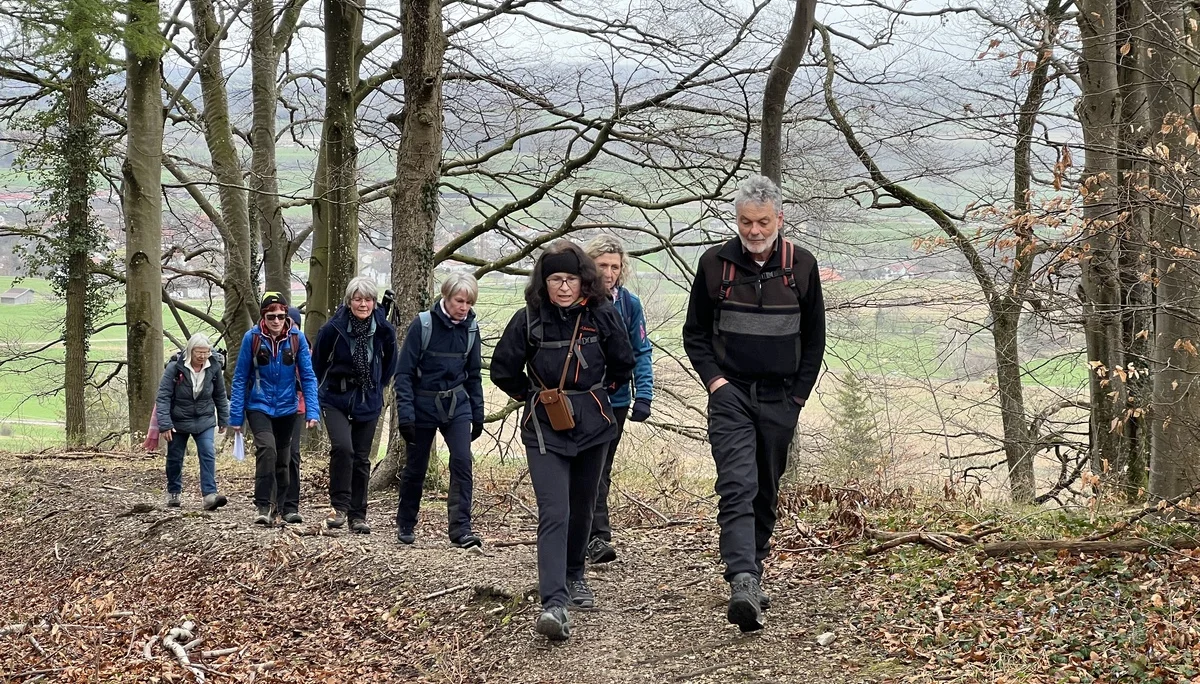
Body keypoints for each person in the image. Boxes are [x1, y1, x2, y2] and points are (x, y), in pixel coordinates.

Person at [682, 175, 826, 633]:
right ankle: (741, 579)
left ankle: (754, 568)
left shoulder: (801, 266)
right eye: (746, 222)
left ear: (779, 219)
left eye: (763, 222)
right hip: (732, 395)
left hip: (781, 397)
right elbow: (696, 334)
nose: (755, 230)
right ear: (737, 220)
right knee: (737, 484)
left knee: (765, 487)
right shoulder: (713, 264)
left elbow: (815, 338)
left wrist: (798, 398)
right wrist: (716, 382)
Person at [491, 240, 635, 642]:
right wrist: (536, 397)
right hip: (544, 429)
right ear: (545, 282)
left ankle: (575, 576)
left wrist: (595, 395)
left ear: (583, 280)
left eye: (570, 278)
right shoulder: (528, 320)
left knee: (583, 506)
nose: (564, 287)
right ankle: (553, 603)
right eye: (556, 279)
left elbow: (624, 362)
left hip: (595, 427)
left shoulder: (602, 315)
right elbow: (502, 369)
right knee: (554, 510)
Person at [393, 273, 485, 548]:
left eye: (469, 302)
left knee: (462, 462)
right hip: (422, 404)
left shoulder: (471, 329)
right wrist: (406, 415)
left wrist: (477, 414)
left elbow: (474, 375)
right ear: (446, 297)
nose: (464, 307)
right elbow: (404, 373)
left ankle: (461, 529)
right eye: (460, 300)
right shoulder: (423, 325)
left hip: (457, 404)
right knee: (416, 467)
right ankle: (406, 522)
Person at [581, 235, 653, 565]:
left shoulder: (629, 304)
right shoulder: (575, 301)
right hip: (580, 397)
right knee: (582, 467)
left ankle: (596, 537)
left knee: (601, 468)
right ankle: (584, 533)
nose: (608, 272)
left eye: (614, 266)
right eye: (602, 265)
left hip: (617, 399)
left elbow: (641, 351)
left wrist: (644, 395)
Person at [312, 277, 398, 534]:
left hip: (368, 399)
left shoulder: (383, 329)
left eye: (368, 299)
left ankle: (358, 516)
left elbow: (391, 363)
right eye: (358, 299)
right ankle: (339, 507)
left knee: (361, 459)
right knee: (343, 448)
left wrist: (376, 387)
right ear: (349, 302)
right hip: (335, 398)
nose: (363, 304)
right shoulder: (333, 328)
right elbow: (318, 361)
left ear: (374, 302)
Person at [230, 293, 321, 525]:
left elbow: (308, 377)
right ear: (264, 316)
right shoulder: (252, 338)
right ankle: (263, 505)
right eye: (272, 316)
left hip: (288, 408)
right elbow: (240, 378)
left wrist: (312, 410)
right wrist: (236, 416)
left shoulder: (297, 339)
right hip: (258, 405)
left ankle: (288, 507)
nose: (277, 320)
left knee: (286, 459)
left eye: (281, 315)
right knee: (267, 450)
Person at [155, 333, 230, 511]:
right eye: (199, 352)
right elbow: (163, 396)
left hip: (204, 419)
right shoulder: (175, 368)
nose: (202, 356)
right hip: (178, 421)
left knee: (207, 453)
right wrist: (165, 424)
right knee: (175, 458)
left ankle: (209, 495)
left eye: (206, 352)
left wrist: (224, 418)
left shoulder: (214, 368)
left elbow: (220, 394)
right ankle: (174, 492)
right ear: (190, 351)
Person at [282, 305, 306, 524]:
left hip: (297, 408)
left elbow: (310, 378)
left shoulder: (304, 347)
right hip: (270, 408)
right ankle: (271, 502)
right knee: (272, 454)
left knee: (292, 455)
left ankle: (291, 505)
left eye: (294, 324)